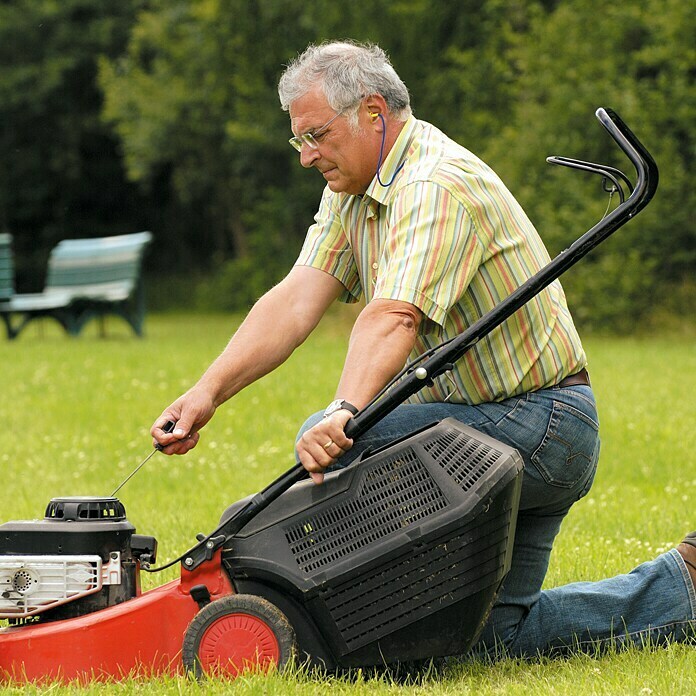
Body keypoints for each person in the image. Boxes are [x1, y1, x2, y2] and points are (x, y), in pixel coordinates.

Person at [152, 41, 696, 658]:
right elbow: (297, 299)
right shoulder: (354, 190)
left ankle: (315, 620)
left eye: (316, 135)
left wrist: (342, 411)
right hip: (494, 427)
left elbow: (395, 315)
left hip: (539, 425)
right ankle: (683, 589)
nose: (306, 156)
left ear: (374, 112)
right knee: (484, 640)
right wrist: (206, 393)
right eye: (297, 140)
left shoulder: (435, 184)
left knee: (343, 444)